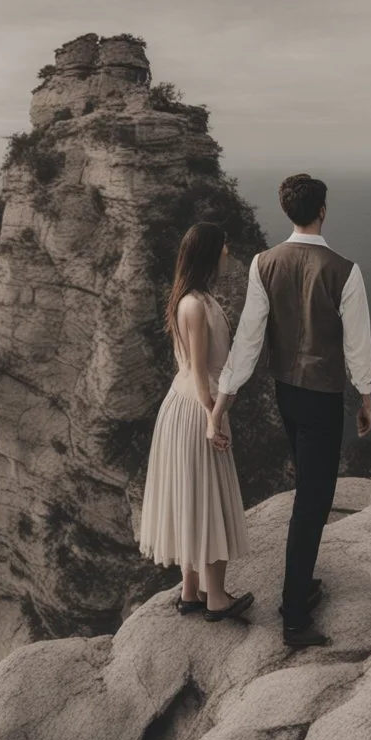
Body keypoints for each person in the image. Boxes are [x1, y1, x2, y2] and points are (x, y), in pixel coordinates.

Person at [211, 173, 371, 647]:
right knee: (313, 501)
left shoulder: (263, 263)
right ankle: (294, 616)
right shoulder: (346, 270)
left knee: (307, 484)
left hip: (286, 391)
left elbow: (248, 339)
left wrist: (225, 399)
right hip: (324, 397)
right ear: (322, 210)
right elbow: (358, 345)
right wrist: (365, 396)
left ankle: (301, 585)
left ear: (288, 212)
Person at [138, 221, 254, 622]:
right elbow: (202, 373)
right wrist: (213, 418)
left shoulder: (194, 300)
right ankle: (217, 599)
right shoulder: (195, 305)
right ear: (209, 252)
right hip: (197, 408)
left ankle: (190, 591)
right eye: (223, 246)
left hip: (186, 407)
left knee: (192, 495)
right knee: (210, 499)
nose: (227, 253)